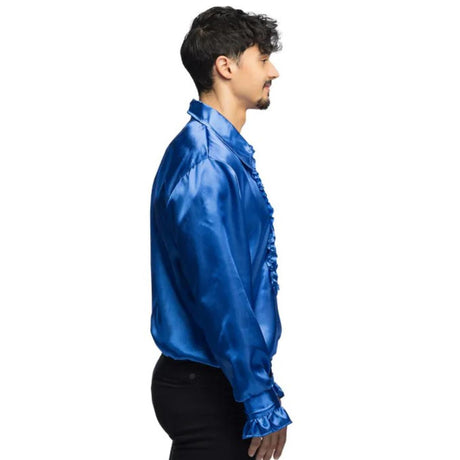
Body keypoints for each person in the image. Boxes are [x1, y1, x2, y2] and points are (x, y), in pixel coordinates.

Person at [149, 6, 292, 460]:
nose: (273, 71)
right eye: (262, 58)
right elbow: (221, 293)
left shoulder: (220, 154)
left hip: (221, 378)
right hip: (207, 385)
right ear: (226, 67)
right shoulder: (206, 164)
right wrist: (259, 398)